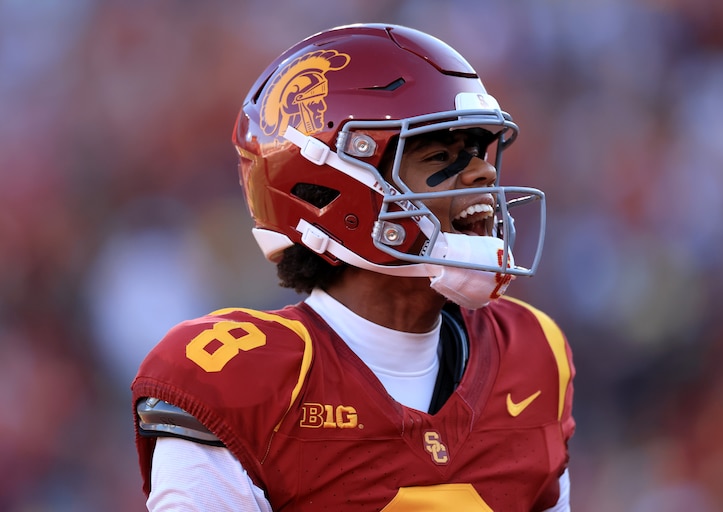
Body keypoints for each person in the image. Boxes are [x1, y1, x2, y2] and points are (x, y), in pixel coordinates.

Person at [132, 23, 575, 511]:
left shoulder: (532, 354)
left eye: (478, 152)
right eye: (440, 154)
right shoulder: (240, 378)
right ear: (329, 190)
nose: (483, 174)